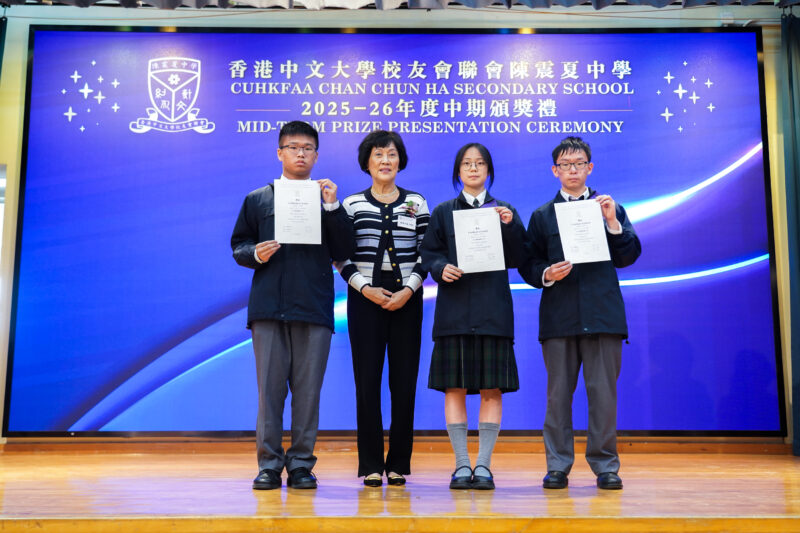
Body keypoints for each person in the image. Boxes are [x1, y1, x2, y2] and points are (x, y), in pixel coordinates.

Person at [231, 121, 354, 491]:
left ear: (316, 155)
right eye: (293, 147)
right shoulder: (258, 199)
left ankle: (301, 464)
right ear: (279, 153)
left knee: (308, 393)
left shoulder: (327, 199)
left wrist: (331, 207)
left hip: (314, 307)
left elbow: (344, 250)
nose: (300, 153)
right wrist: (255, 253)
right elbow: (239, 246)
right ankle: (268, 465)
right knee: (269, 394)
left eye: (307, 148)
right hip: (269, 308)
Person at [520, 136, 641, 491]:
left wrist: (612, 223)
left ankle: (605, 466)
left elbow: (628, 255)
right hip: (560, 318)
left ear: (590, 167)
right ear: (554, 170)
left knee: (603, 395)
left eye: (579, 163)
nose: (572, 170)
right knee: (558, 396)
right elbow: (528, 263)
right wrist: (547, 273)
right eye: (565, 164)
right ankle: (557, 465)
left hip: (602, 315)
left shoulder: (609, 208)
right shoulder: (542, 215)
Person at [420, 142, 526, 491]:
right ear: (458, 171)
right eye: (467, 163)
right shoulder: (443, 212)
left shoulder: (504, 211)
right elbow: (428, 254)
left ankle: (484, 465)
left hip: (493, 310)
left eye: (480, 163)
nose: (474, 169)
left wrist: (510, 227)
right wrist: (440, 267)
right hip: (454, 311)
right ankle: (462, 464)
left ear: (489, 170)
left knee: (492, 389)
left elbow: (521, 258)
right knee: (455, 387)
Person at [336, 130, 429, 487]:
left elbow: (427, 254)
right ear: (367, 162)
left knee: (404, 383)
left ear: (400, 161)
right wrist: (365, 289)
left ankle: (399, 463)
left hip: (407, 300)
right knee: (367, 383)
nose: (385, 161)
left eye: (391, 154)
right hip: (365, 301)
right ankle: (371, 464)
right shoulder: (351, 205)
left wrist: (408, 290)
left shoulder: (416, 202)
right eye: (378, 155)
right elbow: (340, 256)